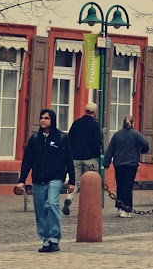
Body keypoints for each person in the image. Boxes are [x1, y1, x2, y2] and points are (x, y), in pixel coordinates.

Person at [14, 108, 75, 252]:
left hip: (55, 178)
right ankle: (45, 239)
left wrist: (72, 181)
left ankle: (54, 239)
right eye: (41, 118)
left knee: (52, 204)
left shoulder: (61, 138)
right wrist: (22, 180)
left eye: (46, 118)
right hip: (38, 180)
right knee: (41, 211)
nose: (43, 120)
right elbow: (27, 160)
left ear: (52, 120)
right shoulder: (35, 139)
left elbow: (68, 159)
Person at [102, 115, 150, 217]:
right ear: (132, 124)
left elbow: (110, 150)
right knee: (128, 186)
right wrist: (142, 151)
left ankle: (120, 207)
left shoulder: (117, 135)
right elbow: (146, 145)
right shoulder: (136, 134)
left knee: (120, 185)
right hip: (131, 164)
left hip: (119, 164)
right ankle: (127, 208)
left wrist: (106, 163)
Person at [64, 102, 103, 216]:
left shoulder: (76, 123)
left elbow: (69, 140)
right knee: (90, 184)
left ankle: (69, 198)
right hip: (90, 159)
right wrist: (97, 154)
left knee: (75, 183)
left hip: (75, 158)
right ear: (94, 112)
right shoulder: (95, 125)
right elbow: (97, 143)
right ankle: (88, 207)